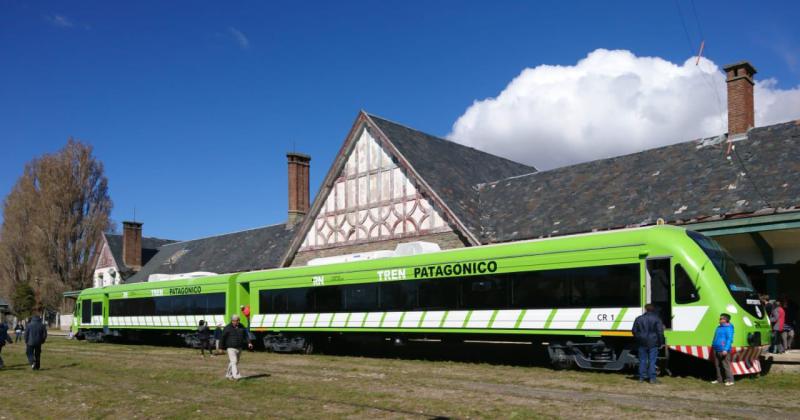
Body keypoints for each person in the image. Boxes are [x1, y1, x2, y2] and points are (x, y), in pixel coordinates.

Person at [632, 304, 665, 384]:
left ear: (645, 309)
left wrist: (639, 337)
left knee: (642, 360)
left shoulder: (639, 319)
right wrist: (661, 343)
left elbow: (634, 331)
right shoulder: (657, 319)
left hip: (642, 342)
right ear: (653, 309)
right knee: (652, 361)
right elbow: (660, 332)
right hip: (653, 342)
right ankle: (652, 379)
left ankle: (641, 378)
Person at [220, 315, 253, 380]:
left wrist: (249, 342)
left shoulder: (242, 326)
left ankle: (228, 374)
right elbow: (222, 338)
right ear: (232, 321)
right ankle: (236, 376)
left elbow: (246, 335)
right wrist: (221, 348)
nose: (238, 322)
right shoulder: (227, 328)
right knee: (234, 361)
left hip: (239, 347)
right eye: (236, 321)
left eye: (238, 320)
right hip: (231, 348)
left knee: (234, 362)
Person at [711, 313, 735, 386]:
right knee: (717, 365)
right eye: (720, 318)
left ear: (725, 320)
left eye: (721, 318)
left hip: (723, 350)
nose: (719, 320)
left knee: (725, 365)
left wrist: (725, 349)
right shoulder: (718, 327)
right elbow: (715, 337)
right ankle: (719, 379)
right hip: (716, 348)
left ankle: (730, 380)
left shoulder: (729, 328)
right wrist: (713, 345)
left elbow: (729, 339)